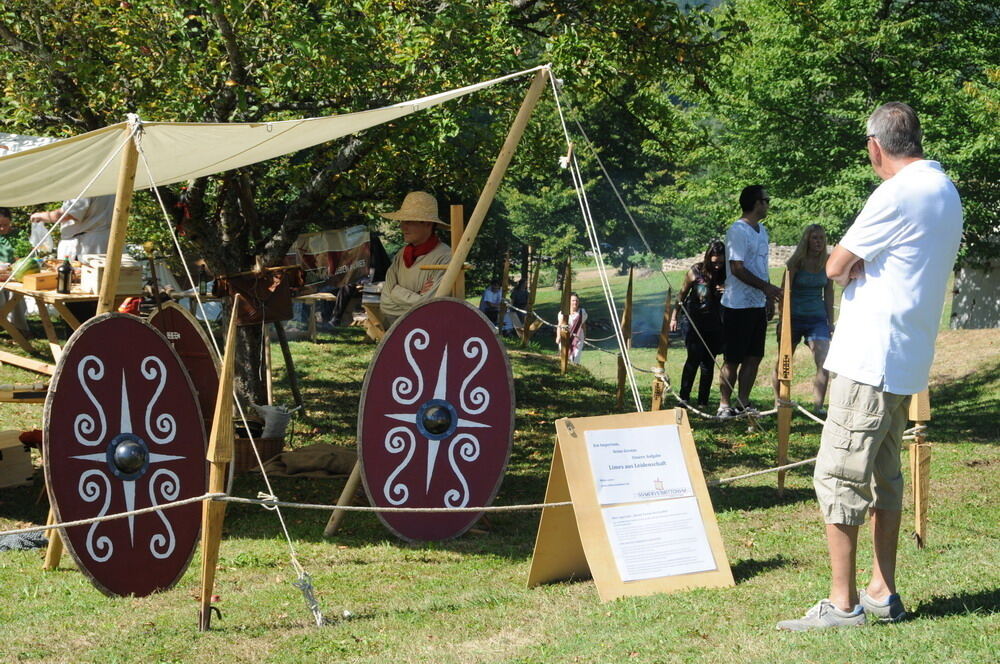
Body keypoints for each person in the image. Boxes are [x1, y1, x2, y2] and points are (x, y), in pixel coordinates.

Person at [777, 102, 963, 631]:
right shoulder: (945, 190)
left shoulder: (895, 192)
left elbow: (835, 265)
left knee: (838, 476)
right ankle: (882, 591)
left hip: (868, 358)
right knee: (885, 478)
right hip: (907, 357)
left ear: (875, 146)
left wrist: (855, 262)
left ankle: (842, 605)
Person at [717, 185, 782, 418]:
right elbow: (737, 268)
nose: (768, 204)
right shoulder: (737, 230)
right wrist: (767, 288)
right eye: (766, 200)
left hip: (757, 305)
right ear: (756, 203)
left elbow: (762, 267)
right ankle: (724, 404)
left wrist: (767, 297)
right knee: (733, 359)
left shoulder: (762, 231)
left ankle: (742, 403)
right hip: (737, 305)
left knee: (754, 356)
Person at [772, 224, 835, 414]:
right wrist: (783, 321)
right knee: (784, 360)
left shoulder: (828, 262)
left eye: (822, 238)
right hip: (793, 317)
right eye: (815, 238)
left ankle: (818, 406)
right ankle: (780, 401)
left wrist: (830, 322)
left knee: (824, 360)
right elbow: (785, 292)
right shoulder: (796, 262)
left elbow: (829, 292)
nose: (819, 242)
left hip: (817, 318)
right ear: (807, 240)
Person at [378, 191, 451, 327]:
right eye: (402, 221)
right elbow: (386, 304)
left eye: (409, 222)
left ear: (428, 224)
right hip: (398, 334)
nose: (402, 227)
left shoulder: (445, 257)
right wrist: (418, 297)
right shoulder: (401, 255)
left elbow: (432, 308)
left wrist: (397, 292)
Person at [670, 240, 726, 408]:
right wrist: (674, 317)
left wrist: (729, 289)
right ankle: (684, 397)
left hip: (716, 323)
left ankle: (703, 401)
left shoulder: (728, 274)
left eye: (722, 262)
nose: (718, 266)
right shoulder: (695, 271)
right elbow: (681, 296)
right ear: (708, 258)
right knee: (693, 357)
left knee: (709, 361)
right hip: (693, 321)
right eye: (715, 262)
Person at [29, 194, 115, 260]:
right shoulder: (110, 184)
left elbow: (67, 214)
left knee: (75, 279)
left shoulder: (86, 183)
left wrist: (41, 216)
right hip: (104, 239)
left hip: (85, 245)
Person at [0, 207, 29, 334]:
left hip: (14, 274)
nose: (2, 228)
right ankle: (3, 322)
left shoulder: (18, 235)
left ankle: (20, 328)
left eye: (5, 225)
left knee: (16, 295)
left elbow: (26, 256)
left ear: (11, 222)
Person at [556, 292, 587, 364]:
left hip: (577, 339)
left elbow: (583, 325)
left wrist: (584, 336)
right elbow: (559, 325)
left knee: (575, 357)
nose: (575, 302)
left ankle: (574, 371)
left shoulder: (582, 312)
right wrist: (558, 337)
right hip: (565, 337)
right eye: (573, 300)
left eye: (576, 301)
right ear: (569, 302)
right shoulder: (563, 313)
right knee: (565, 356)